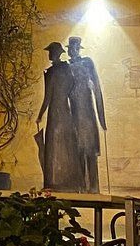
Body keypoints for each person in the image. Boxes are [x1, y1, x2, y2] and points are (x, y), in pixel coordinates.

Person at [35, 42, 82, 191]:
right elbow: (72, 86)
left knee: (54, 145)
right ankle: (69, 180)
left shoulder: (51, 72)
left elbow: (47, 96)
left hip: (55, 112)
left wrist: (40, 114)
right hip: (65, 109)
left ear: (56, 53)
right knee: (67, 143)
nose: (49, 55)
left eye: (51, 52)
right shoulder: (67, 68)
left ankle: (54, 181)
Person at [67, 36, 106, 192]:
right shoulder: (66, 67)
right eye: (70, 48)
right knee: (77, 150)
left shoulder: (87, 63)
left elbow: (96, 87)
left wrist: (101, 117)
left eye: (75, 48)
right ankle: (81, 187)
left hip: (87, 113)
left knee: (90, 150)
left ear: (78, 49)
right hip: (74, 113)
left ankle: (93, 187)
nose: (72, 51)